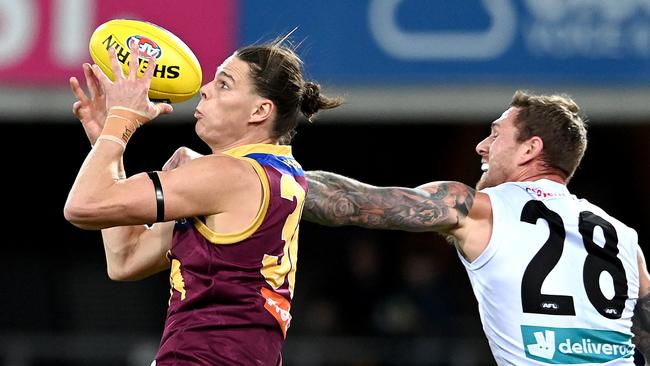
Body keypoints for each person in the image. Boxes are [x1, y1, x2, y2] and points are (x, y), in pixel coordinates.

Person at [301, 90, 650, 365]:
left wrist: (268, 176)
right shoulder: (624, 239)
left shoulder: (480, 210)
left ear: (530, 148)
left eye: (496, 135)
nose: (481, 145)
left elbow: (353, 203)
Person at [64, 33, 343, 365]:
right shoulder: (278, 175)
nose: (205, 89)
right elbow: (127, 257)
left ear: (260, 110)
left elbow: (83, 206)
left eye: (224, 84)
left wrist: (122, 119)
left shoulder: (228, 176)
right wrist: (104, 143)